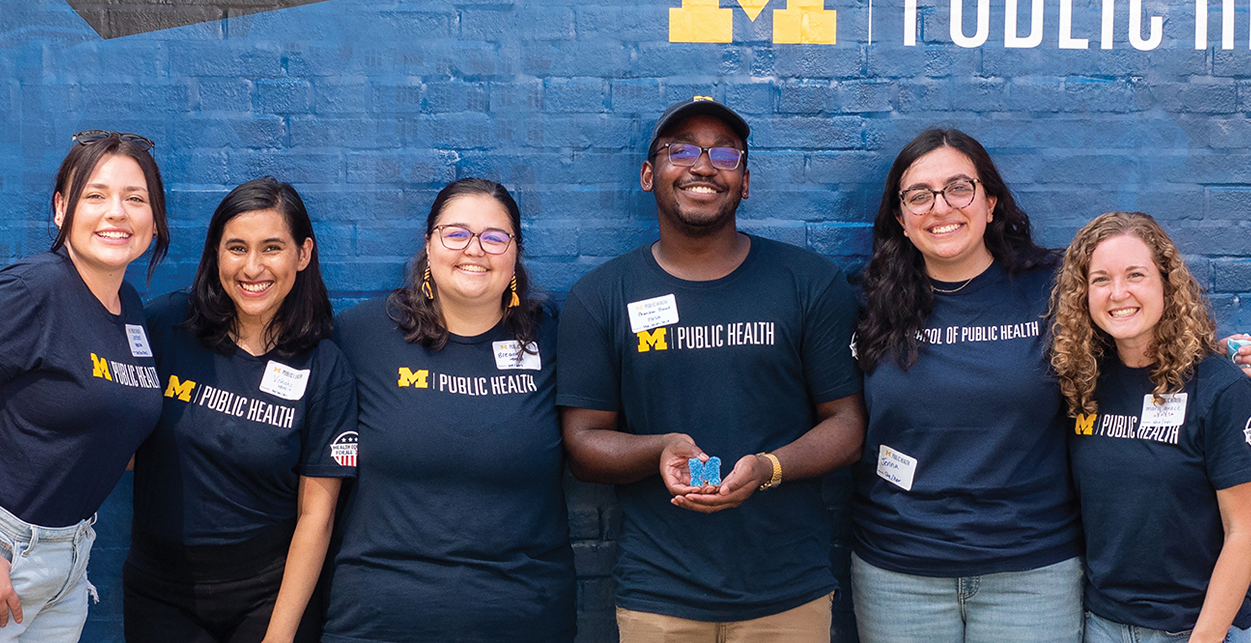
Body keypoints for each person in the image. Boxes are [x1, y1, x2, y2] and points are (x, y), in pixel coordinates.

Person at [558, 96, 865, 642]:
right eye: (681, 150)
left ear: (745, 182)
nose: (702, 165)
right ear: (651, 174)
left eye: (724, 153)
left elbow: (847, 424)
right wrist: (660, 448)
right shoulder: (601, 297)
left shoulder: (809, 282)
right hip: (659, 594)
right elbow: (582, 444)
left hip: (787, 592)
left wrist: (769, 467)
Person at [851, 128, 1082, 643]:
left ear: (991, 201)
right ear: (900, 218)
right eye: (919, 196)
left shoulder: (1054, 288)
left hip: (1032, 569)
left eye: (959, 188)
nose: (940, 207)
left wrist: (1226, 358)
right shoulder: (866, 304)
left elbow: (1141, 341)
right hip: (899, 573)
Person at [323, 177, 575, 643]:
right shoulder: (359, 337)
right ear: (428, 243)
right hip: (377, 621)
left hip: (524, 619)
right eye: (455, 233)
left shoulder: (556, 342)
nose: (474, 250)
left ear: (515, 253)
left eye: (494, 237)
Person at [123, 177, 357, 643]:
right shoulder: (167, 325)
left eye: (272, 248)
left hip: (267, 594)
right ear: (215, 254)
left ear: (303, 254)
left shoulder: (323, 365)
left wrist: (279, 635)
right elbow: (103, 430)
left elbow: (317, 515)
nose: (252, 268)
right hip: (159, 590)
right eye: (236, 248)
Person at [1050, 211, 1251, 643]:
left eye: (1135, 275)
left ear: (1166, 283)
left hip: (1198, 627)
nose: (1118, 293)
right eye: (1100, 279)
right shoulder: (1080, 383)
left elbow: (1245, 532)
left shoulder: (1219, 389)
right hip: (1102, 625)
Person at [0, 131, 168, 641]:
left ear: (154, 219)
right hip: (10, 553)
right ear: (60, 209)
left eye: (135, 199)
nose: (116, 212)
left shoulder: (131, 310)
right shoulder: (34, 290)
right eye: (94, 195)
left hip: (69, 563)